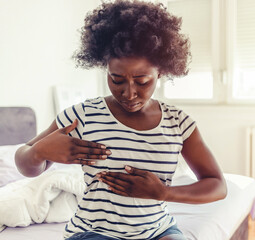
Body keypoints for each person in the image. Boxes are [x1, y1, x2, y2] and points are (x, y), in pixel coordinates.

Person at [15, 0, 227, 239]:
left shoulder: (178, 123)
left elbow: (217, 185)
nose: (129, 93)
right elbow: (24, 161)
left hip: (158, 230)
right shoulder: (82, 115)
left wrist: (165, 193)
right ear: (104, 67)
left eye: (142, 81)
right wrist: (39, 152)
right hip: (94, 232)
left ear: (162, 71)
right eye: (117, 80)